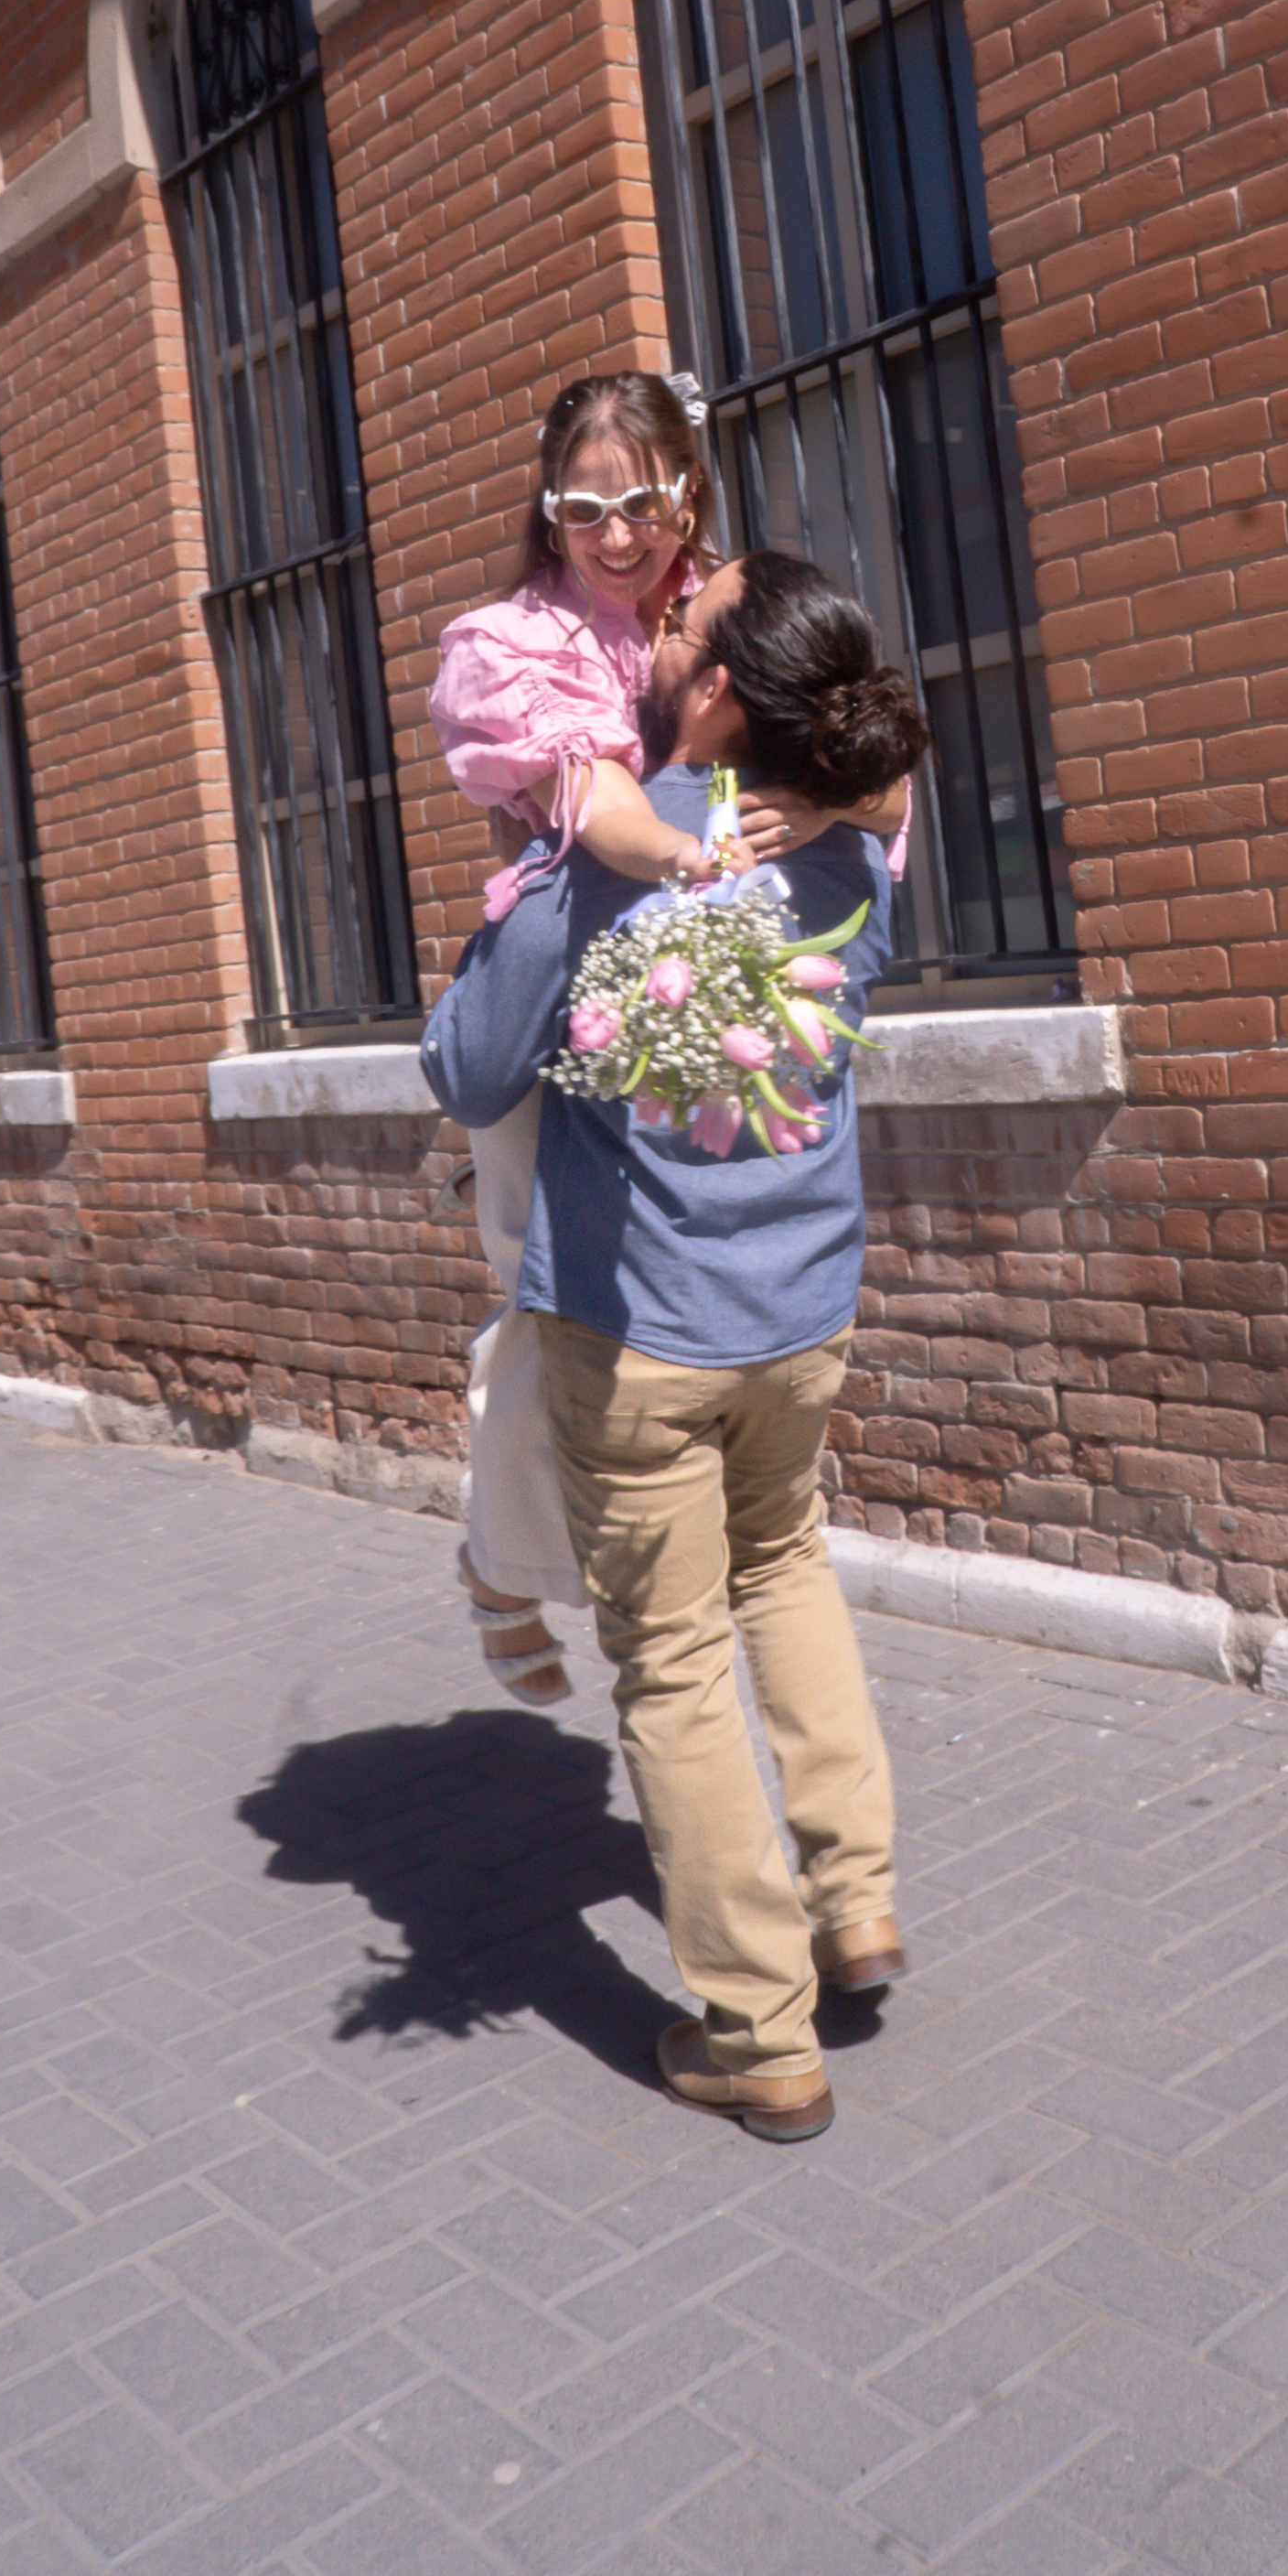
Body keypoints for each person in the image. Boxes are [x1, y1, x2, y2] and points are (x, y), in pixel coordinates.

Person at [421, 549, 929, 2141]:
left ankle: (758, 2027)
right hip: (804, 1311)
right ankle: (857, 1906)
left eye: (682, 627)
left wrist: (533, 887)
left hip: (639, 1328)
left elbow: (465, 1066)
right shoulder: (852, 848)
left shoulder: (611, 854)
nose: (649, 632)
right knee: (783, 1566)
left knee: (674, 1655)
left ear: (712, 692)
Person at [429, 377, 905, 1705]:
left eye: (643, 502)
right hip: (561, 977)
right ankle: (498, 1558)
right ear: (548, 508)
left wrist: (826, 806)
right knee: (541, 1296)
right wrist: (702, 852)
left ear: (687, 491)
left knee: (634, 1336)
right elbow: (599, 811)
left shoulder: (724, 607)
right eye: (584, 508)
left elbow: (879, 759)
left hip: (691, 983)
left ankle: (533, 1559)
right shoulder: (517, 641)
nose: (619, 535)